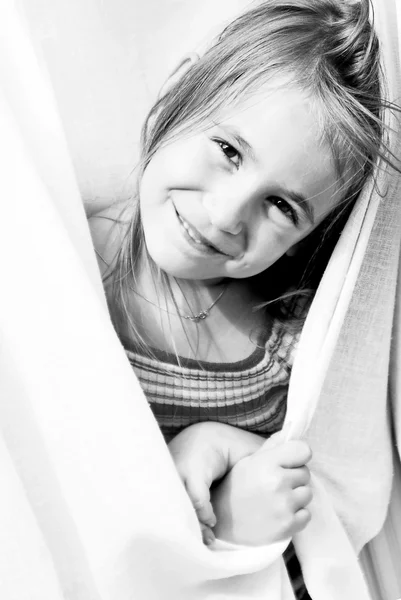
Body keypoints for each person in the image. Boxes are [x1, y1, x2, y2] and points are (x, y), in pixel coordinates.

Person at [88, 0, 395, 596]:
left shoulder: (288, 346)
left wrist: (236, 466)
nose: (226, 215)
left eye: (282, 207)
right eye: (229, 150)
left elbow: (313, 536)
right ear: (182, 89)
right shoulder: (67, 272)